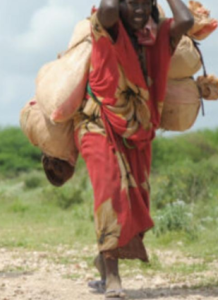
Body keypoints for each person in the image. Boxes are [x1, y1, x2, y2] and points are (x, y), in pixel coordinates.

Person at [73, 0, 193, 298]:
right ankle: (113, 277)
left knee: (135, 204)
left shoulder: (161, 35)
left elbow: (186, 20)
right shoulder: (106, 27)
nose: (139, 11)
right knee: (111, 193)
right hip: (97, 122)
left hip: (138, 131)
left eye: (144, 3)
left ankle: (104, 257)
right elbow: (110, 8)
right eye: (132, 4)